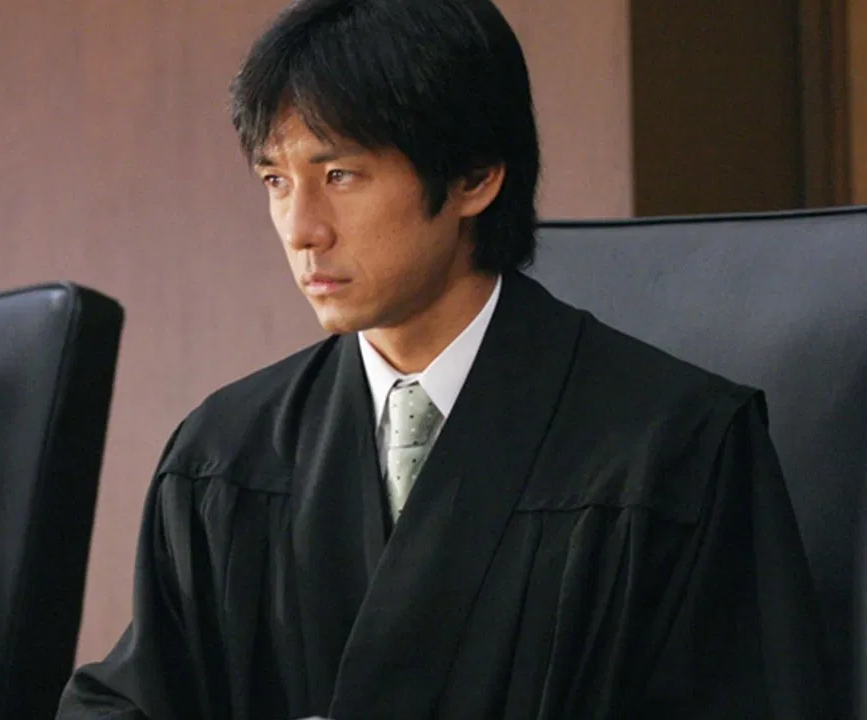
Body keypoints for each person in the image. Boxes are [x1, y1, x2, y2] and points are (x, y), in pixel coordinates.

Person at [58, 0, 828, 717]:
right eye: (275, 180)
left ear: (474, 177)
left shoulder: (676, 448)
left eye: (339, 175)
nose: (300, 229)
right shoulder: (225, 454)